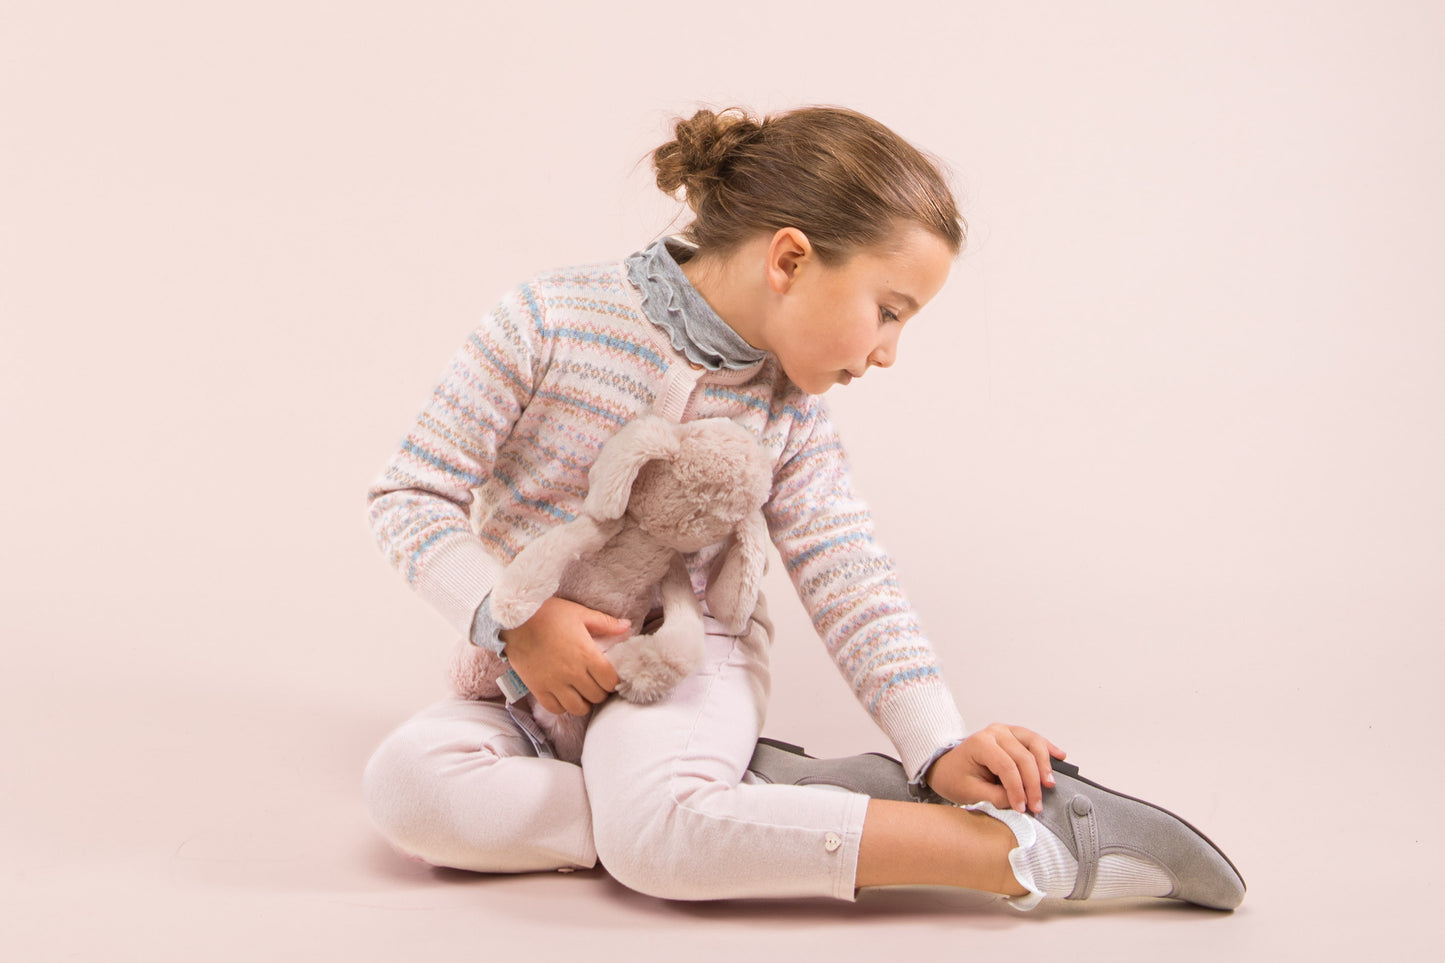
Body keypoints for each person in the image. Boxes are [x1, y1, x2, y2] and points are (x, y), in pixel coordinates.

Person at [361, 105, 1245, 911]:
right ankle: (742, 807)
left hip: (686, 667)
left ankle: (1019, 850)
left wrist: (936, 746)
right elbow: (409, 494)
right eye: (888, 311)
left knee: (652, 842)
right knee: (409, 789)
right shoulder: (543, 320)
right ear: (789, 259)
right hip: (524, 679)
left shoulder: (790, 415)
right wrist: (516, 621)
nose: (889, 351)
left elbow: (851, 578)